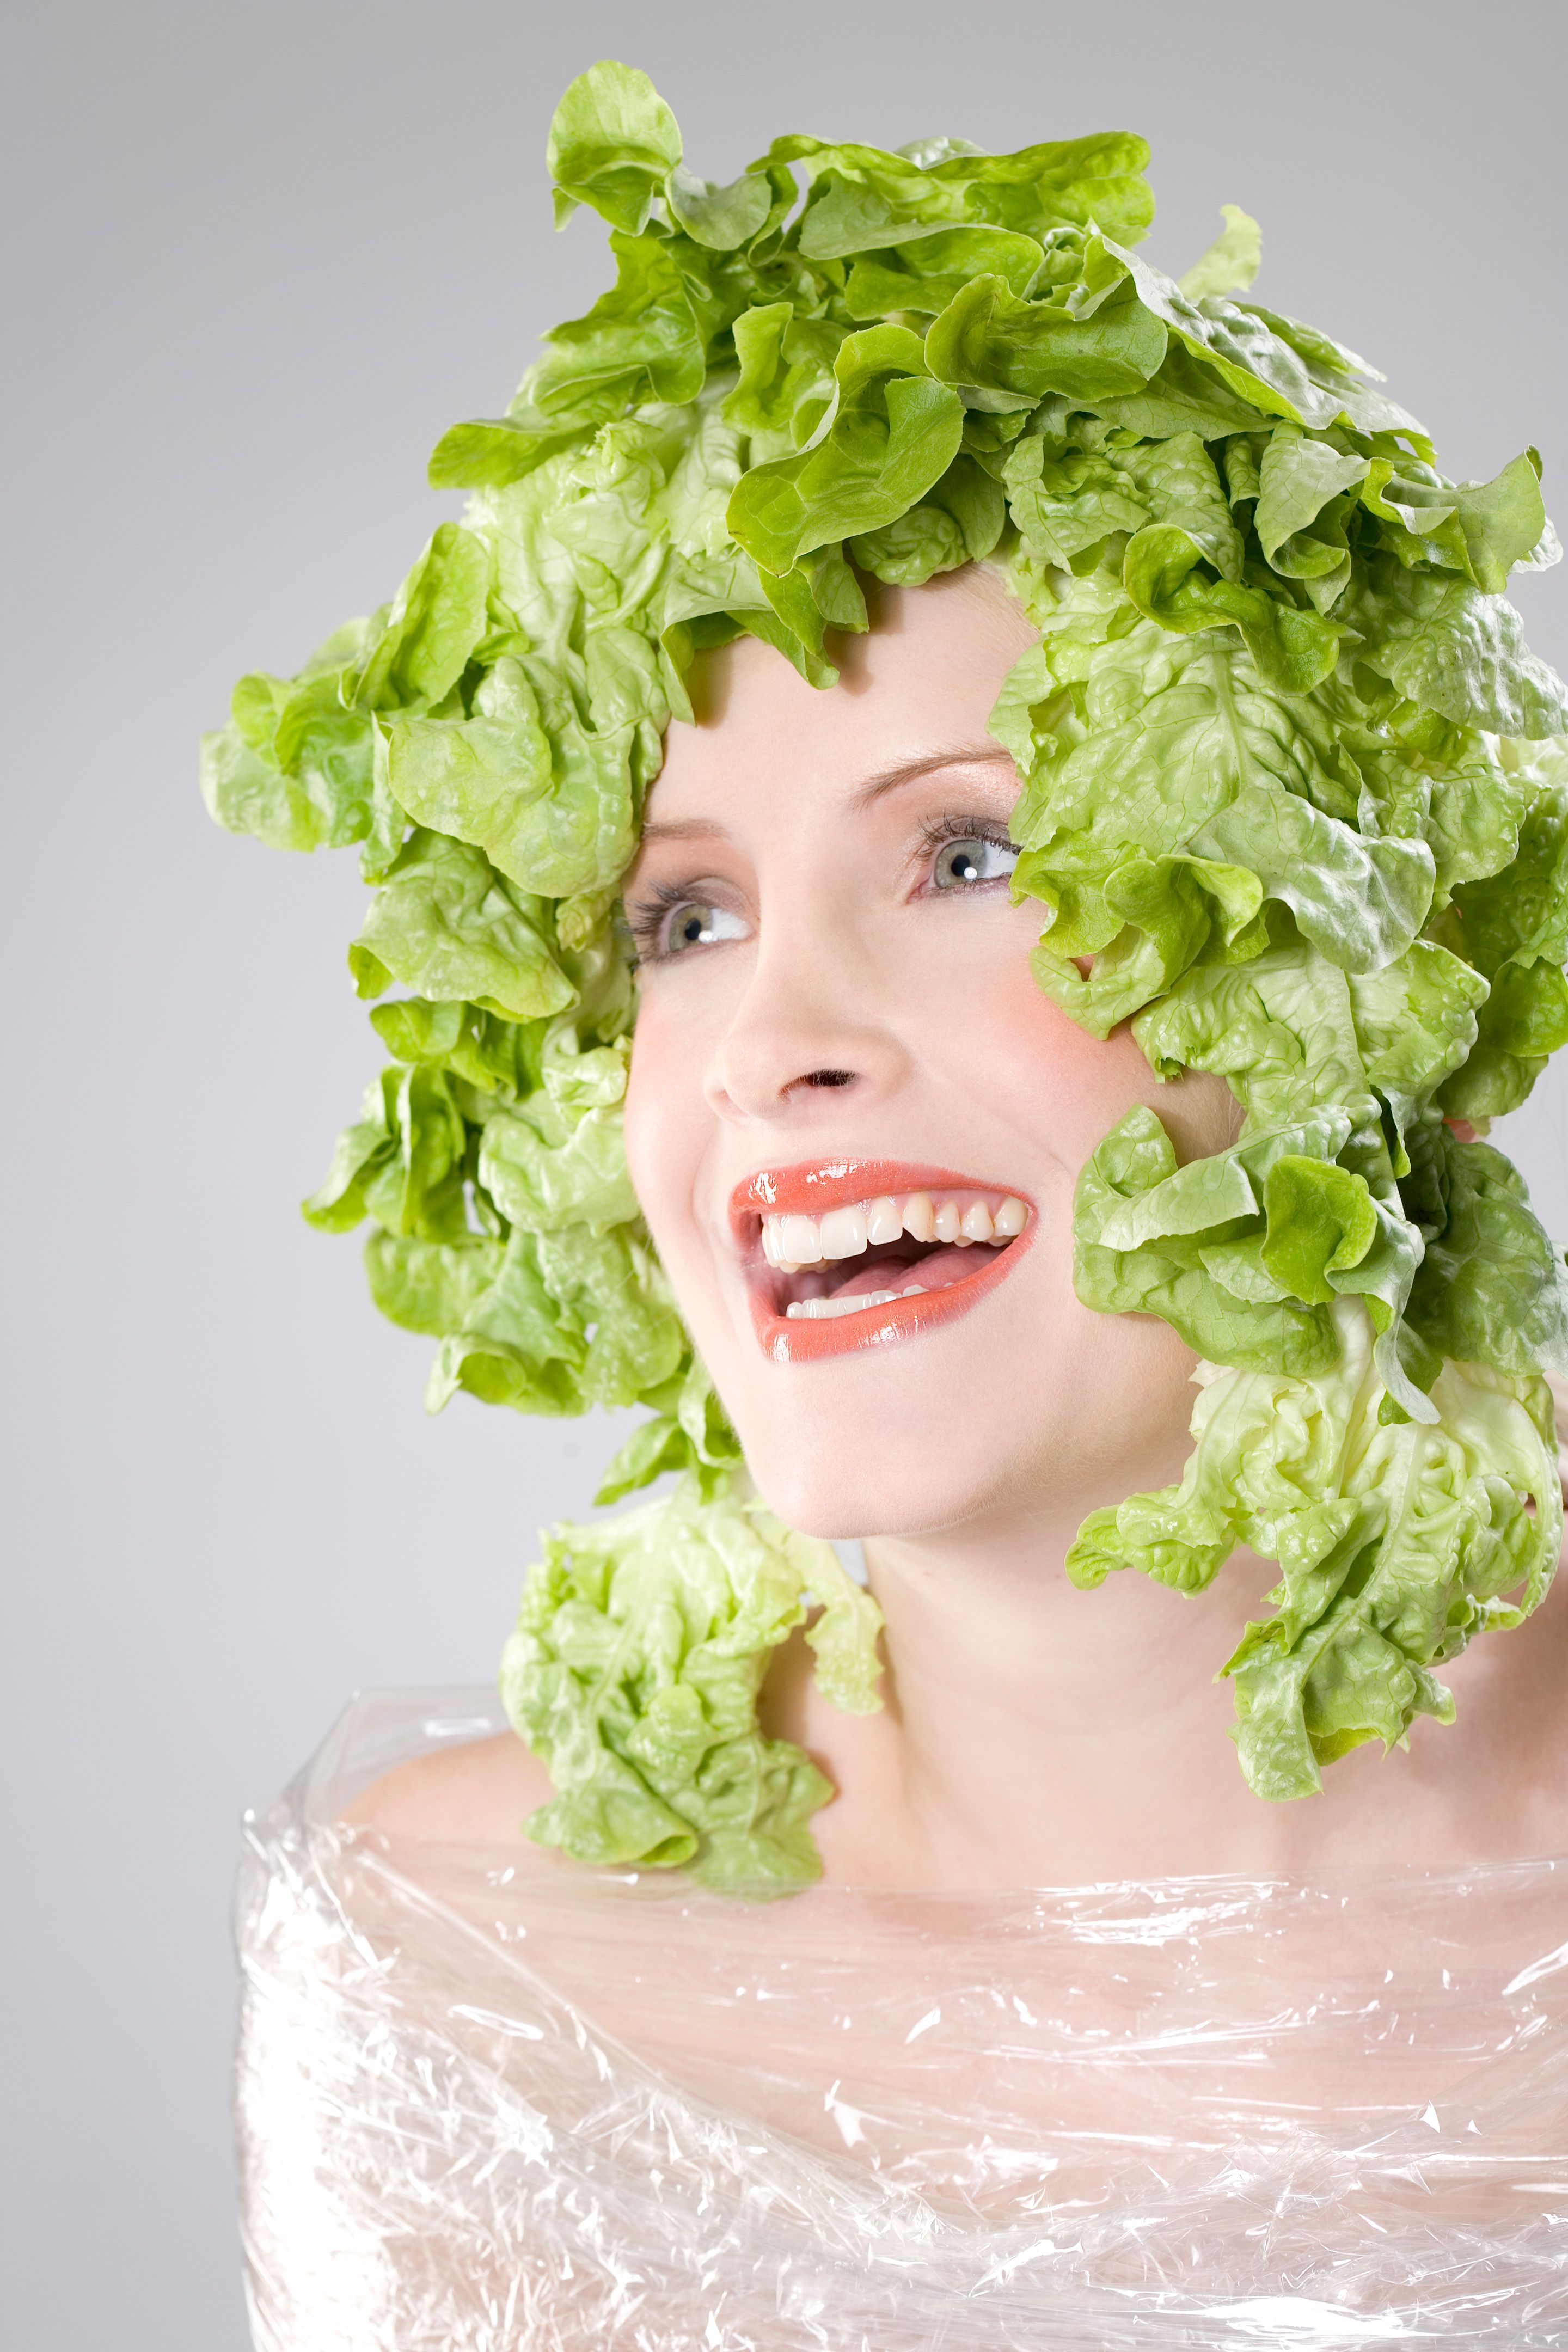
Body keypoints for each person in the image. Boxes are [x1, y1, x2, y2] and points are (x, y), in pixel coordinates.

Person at [216, 62, 1568, 2348]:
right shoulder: (473, 1967)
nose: (771, 1043)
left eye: (971, 853)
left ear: (1368, 952)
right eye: (682, 919)